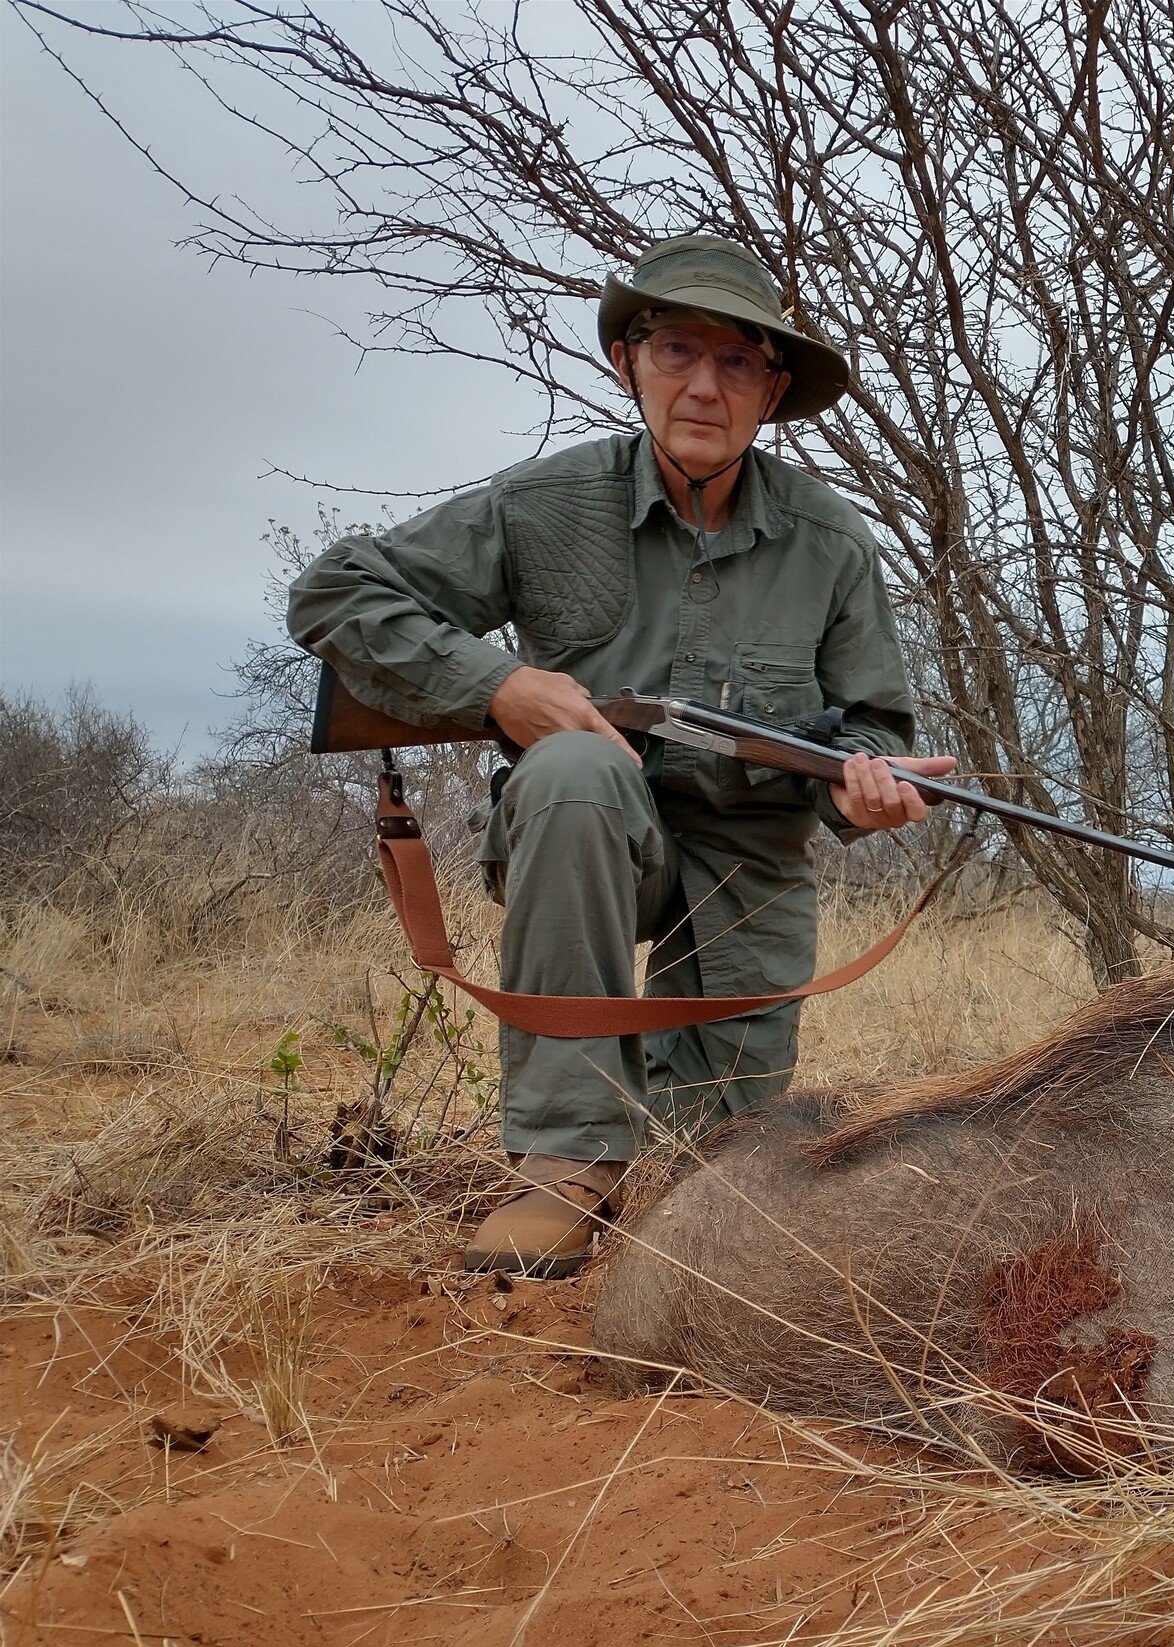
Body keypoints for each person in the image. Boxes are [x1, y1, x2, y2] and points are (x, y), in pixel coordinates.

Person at [290, 233, 953, 1277]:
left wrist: (866, 793)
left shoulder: (831, 541)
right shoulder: (546, 505)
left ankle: (676, 1160)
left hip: (750, 860)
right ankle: (564, 1161)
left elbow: (872, 728)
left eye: (738, 363)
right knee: (574, 772)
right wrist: (499, 688)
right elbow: (336, 591)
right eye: (678, 351)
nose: (703, 387)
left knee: (722, 1179)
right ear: (627, 362)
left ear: (773, 389)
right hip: (590, 834)